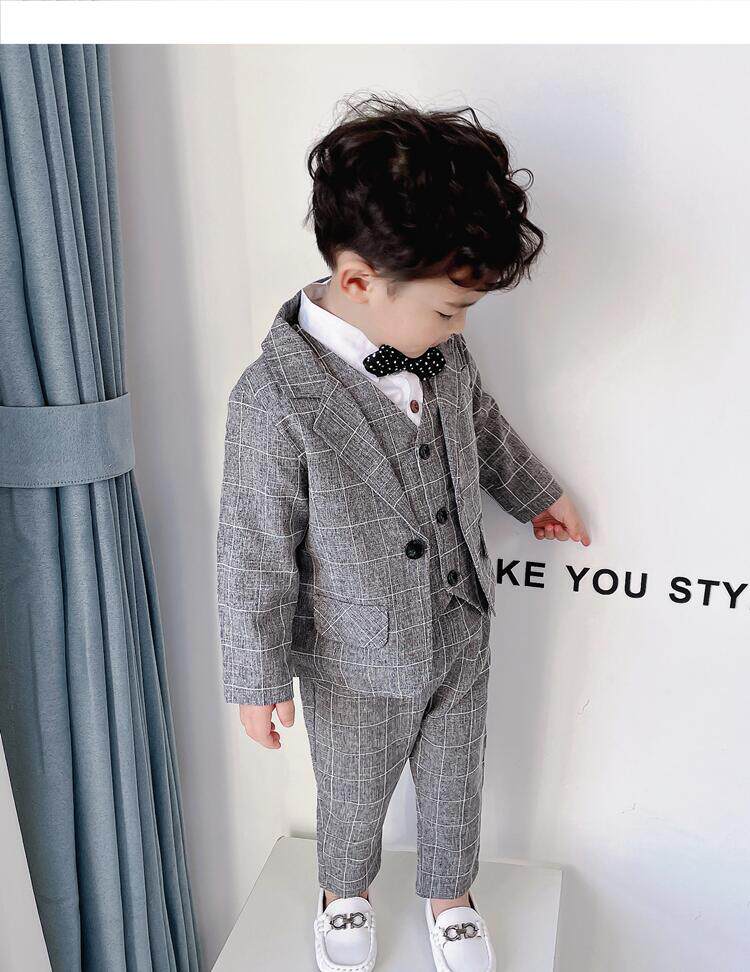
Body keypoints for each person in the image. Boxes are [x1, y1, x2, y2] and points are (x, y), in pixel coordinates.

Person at [216, 93, 590, 972]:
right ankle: (342, 890)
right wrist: (256, 675)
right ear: (357, 282)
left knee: (458, 777)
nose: (458, 331)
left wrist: (535, 492)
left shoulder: (440, 353)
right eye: (449, 311)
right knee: (352, 791)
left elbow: (480, 424)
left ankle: (451, 895)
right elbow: (252, 547)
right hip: (354, 652)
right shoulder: (273, 399)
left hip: (461, 622)